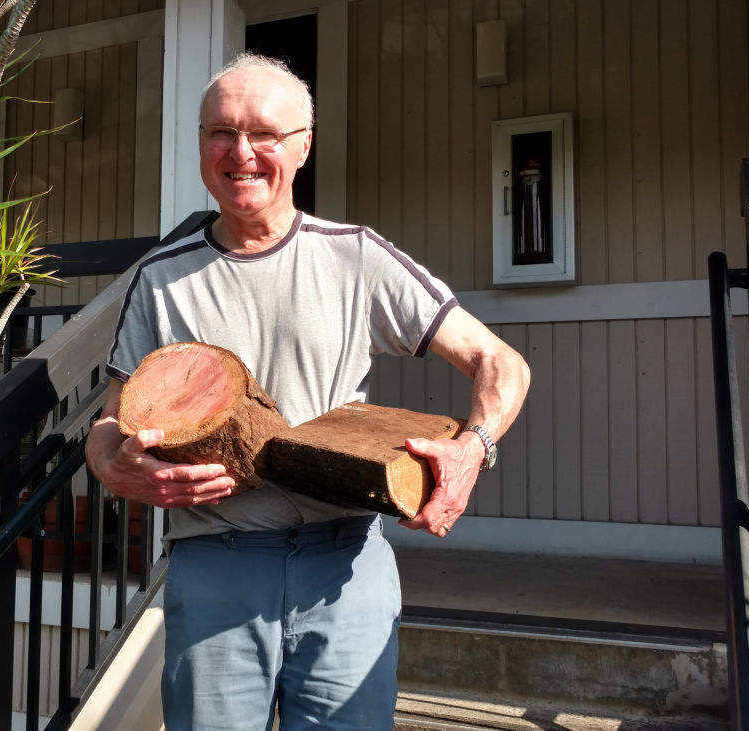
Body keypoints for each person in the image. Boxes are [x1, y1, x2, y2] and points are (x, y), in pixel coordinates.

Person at [85, 52, 530, 731]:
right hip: (215, 566)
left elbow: (499, 361)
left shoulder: (354, 255)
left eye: (263, 133)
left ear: (303, 148)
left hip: (346, 566)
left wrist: (474, 449)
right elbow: (108, 422)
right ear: (201, 144)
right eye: (221, 132)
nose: (241, 152)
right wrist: (114, 461)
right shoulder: (159, 277)